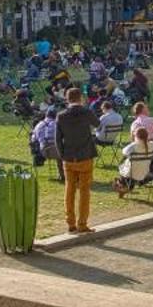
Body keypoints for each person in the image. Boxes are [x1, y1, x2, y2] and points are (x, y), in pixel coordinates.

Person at [55, 88, 99, 234]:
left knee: (69, 190)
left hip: (68, 157)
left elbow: (57, 139)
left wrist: (62, 155)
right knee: (84, 191)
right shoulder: (86, 112)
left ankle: (70, 222)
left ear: (67, 99)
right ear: (80, 98)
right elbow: (97, 123)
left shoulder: (61, 116)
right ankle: (82, 223)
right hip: (85, 155)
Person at [115, 126, 153, 197]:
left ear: (136, 136)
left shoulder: (134, 146)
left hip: (131, 173)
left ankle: (123, 185)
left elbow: (124, 152)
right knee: (129, 168)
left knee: (122, 167)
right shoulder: (152, 145)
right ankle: (125, 185)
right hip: (145, 172)